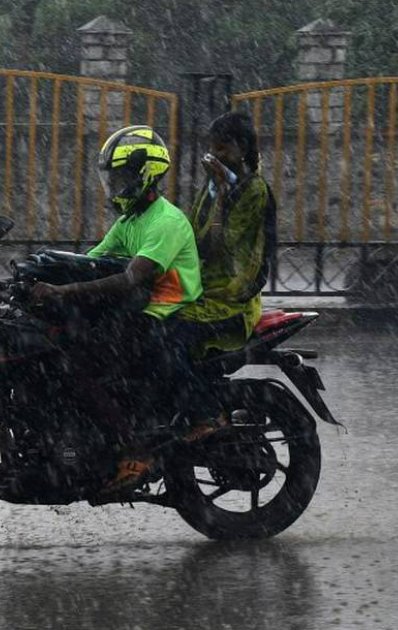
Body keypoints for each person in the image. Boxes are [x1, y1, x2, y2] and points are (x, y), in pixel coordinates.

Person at [29, 124, 206, 495]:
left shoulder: (165, 221)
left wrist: (63, 291)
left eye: (123, 177)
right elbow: (90, 261)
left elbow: (131, 279)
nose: (115, 186)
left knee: (77, 364)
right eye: (112, 178)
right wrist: (33, 276)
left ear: (146, 174)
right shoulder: (130, 221)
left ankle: (134, 448)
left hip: (166, 316)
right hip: (137, 311)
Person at [178, 111, 275, 353]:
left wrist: (220, 195)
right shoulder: (214, 184)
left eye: (221, 148)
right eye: (212, 149)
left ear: (241, 148)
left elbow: (219, 247)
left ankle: (187, 390)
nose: (215, 156)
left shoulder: (254, 189)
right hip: (200, 288)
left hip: (231, 301)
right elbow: (192, 236)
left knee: (171, 329)